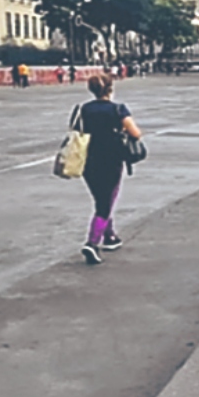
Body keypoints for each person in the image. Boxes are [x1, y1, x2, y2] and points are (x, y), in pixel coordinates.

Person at [79, 74, 142, 265]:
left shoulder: (85, 109)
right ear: (110, 88)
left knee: (101, 199)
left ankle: (110, 236)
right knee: (105, 203)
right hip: (111, 159)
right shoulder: (118, 109)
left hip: (88, 159)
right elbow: (135, 133)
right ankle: (92, 242)